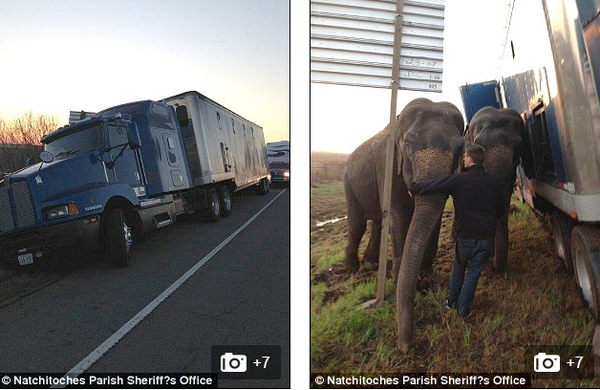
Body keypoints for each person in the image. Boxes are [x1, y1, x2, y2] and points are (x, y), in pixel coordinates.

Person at [409, 143, 505, 318]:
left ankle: (452, 303)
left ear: (468, 158)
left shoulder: (459, 180)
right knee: (473, 274)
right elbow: (500, 211)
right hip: (486, 238)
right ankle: (463, 311)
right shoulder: (494, 182)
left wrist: (414, 188)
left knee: (459, 268)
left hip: (465, 237)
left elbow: (436, 184)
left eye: (465, 157)